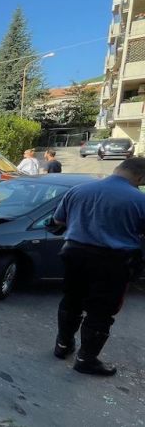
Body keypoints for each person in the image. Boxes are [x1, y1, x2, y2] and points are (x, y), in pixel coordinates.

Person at [51, 158, 145, 376]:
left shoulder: (79, 191)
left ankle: (62, 346)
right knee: (101, 311)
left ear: (117, 169)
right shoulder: (139, 201)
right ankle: (86, 359)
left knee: (71, 301)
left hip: (74, 255)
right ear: (139, 177)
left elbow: (58, 221)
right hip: (112, 262)